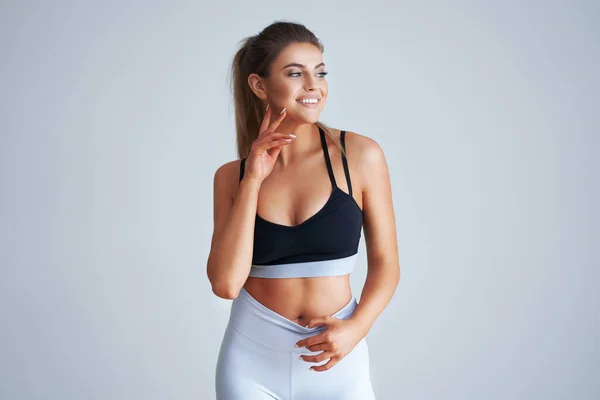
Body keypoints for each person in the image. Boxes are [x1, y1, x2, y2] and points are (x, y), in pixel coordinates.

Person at [207, 21, 400, 400]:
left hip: (336, 358)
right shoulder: (232, 177)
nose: (313, 85)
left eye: (320, 72)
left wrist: (356, 328)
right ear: (259, 86)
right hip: (251, 361)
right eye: (296, 73)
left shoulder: (359, 156)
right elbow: (226, 284)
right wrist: (253, 181)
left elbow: (386, 264)